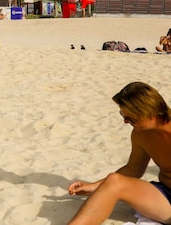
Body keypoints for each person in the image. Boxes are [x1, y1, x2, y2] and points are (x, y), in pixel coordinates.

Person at [65, 81, 171, 225]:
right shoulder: (141, 135)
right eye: (123, 115)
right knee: (114, 181)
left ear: (150, 114)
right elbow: (134, 169)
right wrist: (95, 186)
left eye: (130, 118)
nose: (126, 122)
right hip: (164, 194)